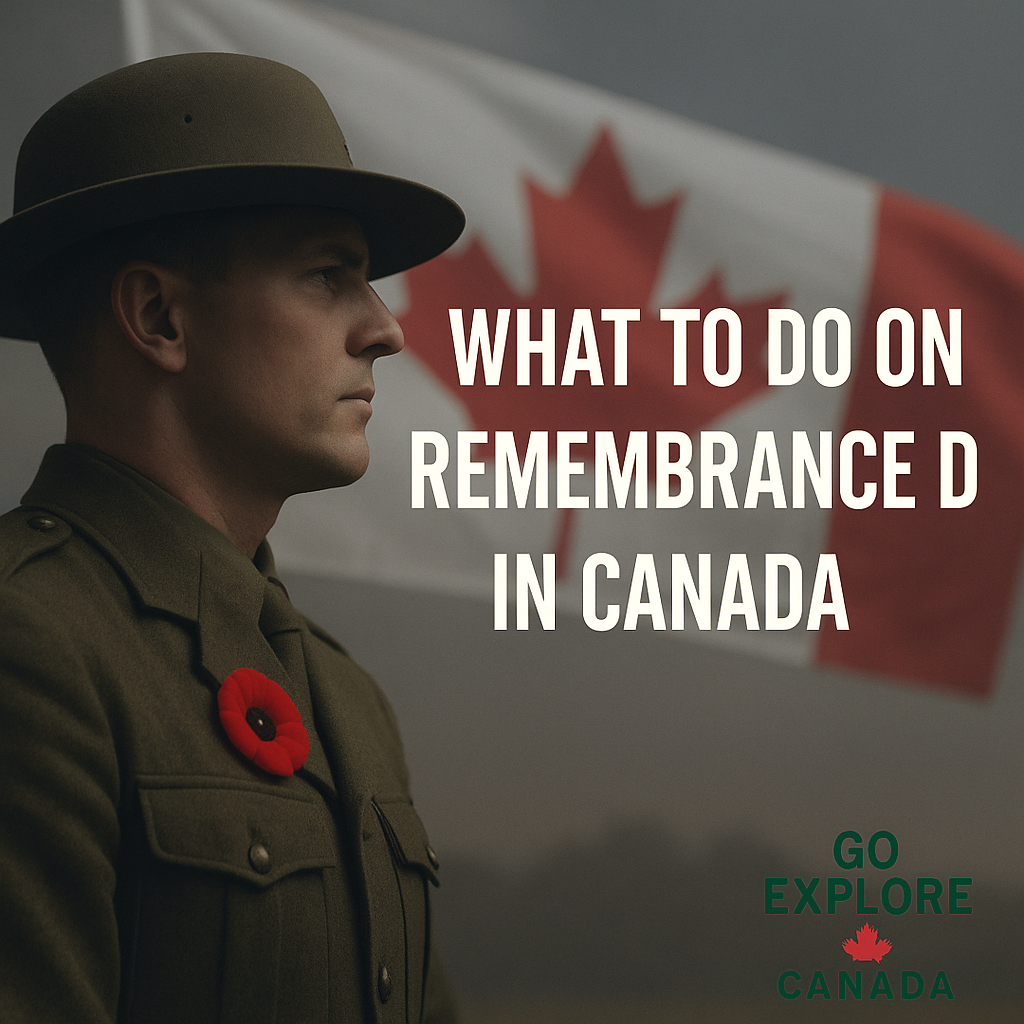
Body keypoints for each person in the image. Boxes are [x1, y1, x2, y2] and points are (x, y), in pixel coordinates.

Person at [0, 51, 464, 1024]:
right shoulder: (26, 641)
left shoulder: (348, 699)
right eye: (328, 274)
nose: (385, 328)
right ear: (160, 316)